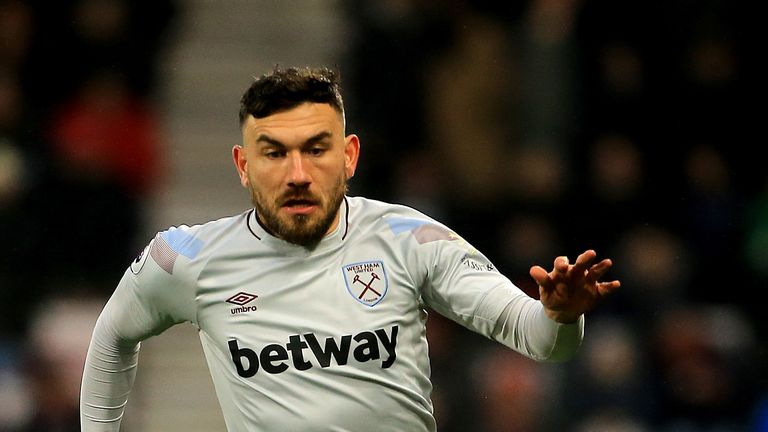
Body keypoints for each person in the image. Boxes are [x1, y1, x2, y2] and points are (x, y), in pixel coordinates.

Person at [79, 66, 620, 431]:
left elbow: (544, 342)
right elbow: (112, 336)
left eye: (317, 150)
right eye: (274, 154)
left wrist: (559, 315)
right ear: (244, 166)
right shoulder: (185, 260)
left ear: (350, 156)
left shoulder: (409, 239)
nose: (297, 174)